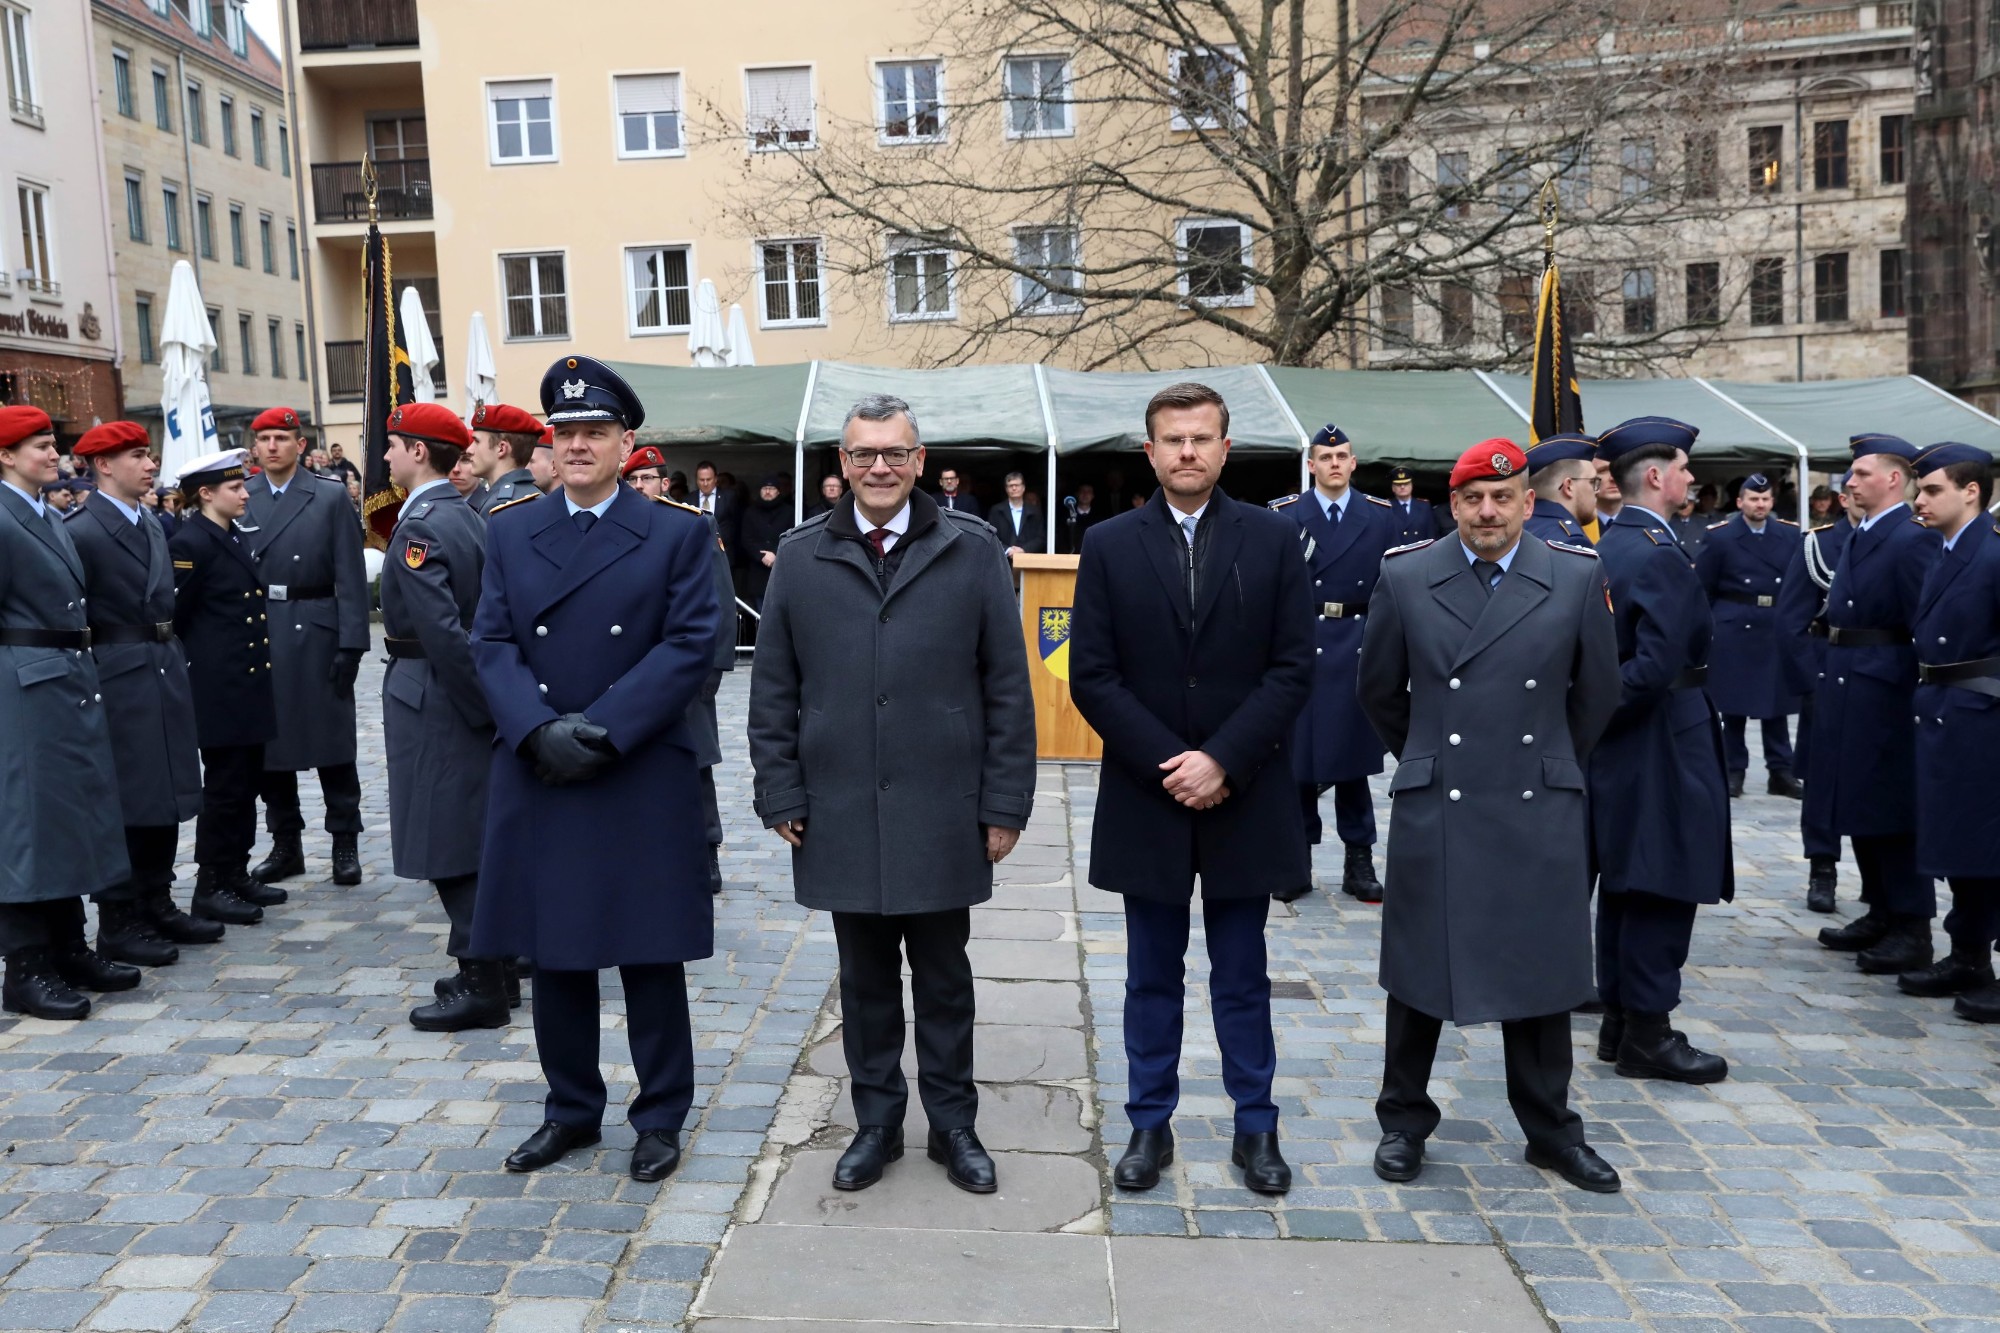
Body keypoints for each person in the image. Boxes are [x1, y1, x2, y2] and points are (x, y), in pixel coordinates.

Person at [749, 393, 1035, 1195]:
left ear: (919, 460)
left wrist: (1004, 803)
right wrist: (780, 789)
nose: (880, 466)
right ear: (841, 464)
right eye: (864, 453)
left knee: (945, 979)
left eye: (895, 453)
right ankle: (876, 1123)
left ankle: (953, 1124)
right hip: (839, 805)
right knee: (866, 982)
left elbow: (1008, 688)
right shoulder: (802, 556)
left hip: (944, 805)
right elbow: (772, 687)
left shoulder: (971, 548)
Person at [470, 355, 719, 1183]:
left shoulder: (678, 532)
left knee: (649, 953)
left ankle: (659, 1116)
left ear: (626, 442)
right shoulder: (508, 529)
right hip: (541, 762)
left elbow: (692, 647)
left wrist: (603, 730)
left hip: (636, 762)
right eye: (566, 433)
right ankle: (570, 1110)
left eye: (595, 432)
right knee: (558, 951)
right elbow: (492, 641)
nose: (578, 445)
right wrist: (538, 727)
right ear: (549, 444)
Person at [1355, 437, 1622, 1193]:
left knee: (1540, 973)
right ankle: (1403, 1121)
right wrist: (1432, 757)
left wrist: (1544, 765)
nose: (1487, 511)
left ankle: (1551, 1132)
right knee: (1417, 972)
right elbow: (1378, 691)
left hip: (1536, 801)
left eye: (1502, 497)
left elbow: (1596, 694)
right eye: (1473, 498)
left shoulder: (1575, 575)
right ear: (1454, 504)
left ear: (1528, 504)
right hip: (1441, 801)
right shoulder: (1407, 576)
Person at [1069, 381, 1313, 1197]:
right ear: (1149, 451)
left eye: (1201, 438)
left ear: (1224, 448)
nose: (1186, 452)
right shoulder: (1107, 543)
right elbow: (1093, 675)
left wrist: (1224, 760)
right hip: (1150, 792)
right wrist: (1175, 761)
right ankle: (1149, 1120)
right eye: (1172, 439)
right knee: (1150, 973)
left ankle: (1256, 1124)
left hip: (1245, 792)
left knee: (1243, 971)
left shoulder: (1275, 539)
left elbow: (1291, 667)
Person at [1588, 416, 1732, 1085]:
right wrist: (1598, 713)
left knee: (1627, 879)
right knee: (1662, 877)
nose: (1691, 478)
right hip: (1664, 734)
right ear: (1654, 475)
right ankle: (1648, 1029)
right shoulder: (1656, 550)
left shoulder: (1613, 545)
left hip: (1629, 740)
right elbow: (1651, 666)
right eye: (1682, 466)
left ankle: (1621, 1021)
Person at [369, 403, 508, 1031]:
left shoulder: (421, 525)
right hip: (450, 692)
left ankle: (482, 981)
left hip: (434, 694)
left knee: (447, 838)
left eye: (395, 445)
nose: (388, 456)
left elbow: (444, 633)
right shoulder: (464, 514)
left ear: (420, 451)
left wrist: (481, 707)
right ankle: (491, 965)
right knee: (468, 834)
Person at [0, 406, 134, 1019]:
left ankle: (68, 945)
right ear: (6, 454)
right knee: (26, 826)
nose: (56, 455)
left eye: (53, 445)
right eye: (42, 445)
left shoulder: (44, 512)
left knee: (69, 816)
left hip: (65, 677)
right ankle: (26, 967)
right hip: (23, 685)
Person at [67, 422, 217, 967]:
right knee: (127, 799)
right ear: (103, 465)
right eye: (137, 456)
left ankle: (157, 899)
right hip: (117, 672)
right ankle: (119, 918)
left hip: (161, 662)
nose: (151, 464)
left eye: (149, 455)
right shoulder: (82, 530)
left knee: (168, 790)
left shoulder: (152, 522)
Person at [1810, 434, 1942, 976]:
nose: (1850, 481)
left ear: (1893, 479)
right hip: (1850, 681)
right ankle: (1881, 908)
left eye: (1862, 473)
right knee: (1859, 799)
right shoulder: (1864, 534)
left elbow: (1924, 624)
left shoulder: (1911, 540)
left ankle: (1911, 925)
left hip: (1887, 687)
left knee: (1892, 807)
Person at [241, 407, 370, 888]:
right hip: (262, 630)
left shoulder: (329, 495)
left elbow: (350, 576)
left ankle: (344, 842)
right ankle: (286, 844)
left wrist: (352, 643)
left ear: (300, 443)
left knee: (333, 745)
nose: (273, 446)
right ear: (254, 447)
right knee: (271, 751)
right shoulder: (242, 494)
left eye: (282, 437)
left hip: (316, 627)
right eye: (265, 438)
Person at [1267, 424, 1395, 902]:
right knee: (1299, 757)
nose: (1335, 463)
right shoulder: (1284, 516)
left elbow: (1393, 590)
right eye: (1326, 456)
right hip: (1303, 642)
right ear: (1312, 465)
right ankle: (1295, 859)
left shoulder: (1380, 517)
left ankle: (1358, 861)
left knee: (1353, 761)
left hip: (1360, 645)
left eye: (1342, 455)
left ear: (1354, 462)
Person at [1905, 444, 2000, 1017]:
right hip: (1946, 709)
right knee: (1961, 843)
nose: (1920, 499)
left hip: (1984, 715)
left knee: (1991, 845)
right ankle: (1968, 954)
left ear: (1971, 491)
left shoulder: (1991, 554)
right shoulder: (1942, 552)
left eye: (1932, 489)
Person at [169, 450, 281, 930]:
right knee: (225, 789)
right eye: (234, 488)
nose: (244, 493)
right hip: (218, 686)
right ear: (206, 494)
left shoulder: (230, 535)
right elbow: (177, 616)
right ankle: (211, 885)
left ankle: (236, 872)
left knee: (246, 783)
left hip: (246, 681)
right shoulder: (192, 541)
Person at [1777, 469, 1857, 912]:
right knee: (1823, 779)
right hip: (1827, 669)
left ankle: (1879, 879)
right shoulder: (1819, 543)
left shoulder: (1912, 539)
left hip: (1879, 679)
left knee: (1877, 779)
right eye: (1851, 485)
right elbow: (1791, 623)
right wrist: (1810, 683)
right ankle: (1822, 867)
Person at [1696, 473, 1803, 799]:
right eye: (1754, 499)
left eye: (1766, 499)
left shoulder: (1789, 535)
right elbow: (1704, 587)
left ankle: (1781, 771)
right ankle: (1733, 770)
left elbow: (1798, 583)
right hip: (1735, 622)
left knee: (1776, 704)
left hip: (1774, 621)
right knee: (1733, 703)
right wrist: (1715, 623)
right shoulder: (1721, 537)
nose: (1760, 505)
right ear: (1740, 502)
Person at [465, 402, 546, 513]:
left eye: (477, 441)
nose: (469, 450)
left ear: (501, 449)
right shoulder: (535, 496)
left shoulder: (500, 505)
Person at [1523, 434, 1598, 546]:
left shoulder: (1517, 531)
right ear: (1568, 487)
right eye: (1593, 482)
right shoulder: (1571, 542)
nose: (1597, 491)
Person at [737, 474, 793, 611]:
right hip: (758, 572)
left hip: (781, 568)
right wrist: (761, 555)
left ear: (778, 491)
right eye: (764, 488)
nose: (768, 491)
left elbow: (792, 536)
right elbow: (746, 538)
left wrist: (775, 553)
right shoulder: (750, 512)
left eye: (771, 488)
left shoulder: (790, 512)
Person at [691, 459, 741, 559]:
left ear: (715, 479)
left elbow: (737, 523)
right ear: (696, 480)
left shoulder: (729, 497)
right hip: (697, 554)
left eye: (708, 479)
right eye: (701, 480)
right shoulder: (689, 499)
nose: (705, 483)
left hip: (724, 554)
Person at [987, 471, 1045, 555]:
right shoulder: (996, 511)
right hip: (1003, 561)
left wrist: (1024, 550)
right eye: (1010, 486)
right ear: (1006, 489)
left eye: (1017, 485)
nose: (1014, 488)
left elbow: (1041, 537)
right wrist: (1008, 550)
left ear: (1023, 488)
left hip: (1029, 561)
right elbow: (991, 536)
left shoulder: (1035, 511)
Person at [1386, 467, 1435, 545]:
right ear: (1393, 488)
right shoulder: (1387, 507)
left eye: (1406, 483)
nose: (1402, 487)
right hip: (1397, 553)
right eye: (1398, 484)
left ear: (1411, 485)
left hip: (1420, 553)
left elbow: (1431, 534)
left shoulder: (1424, 506)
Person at [1586, 456, 1623, 542]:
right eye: (1603, 471)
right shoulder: (1579, 525)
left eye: (1618, 469)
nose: (1612, 478)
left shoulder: (1645, 523)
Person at [1058, 482, 1101, 554]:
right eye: (1082, 491)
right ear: (1077, 494)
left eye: (1088, 492)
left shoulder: (1098, 518)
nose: (1085, 494)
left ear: (1093, 496)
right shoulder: (1068, 518)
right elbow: (1061, 540)